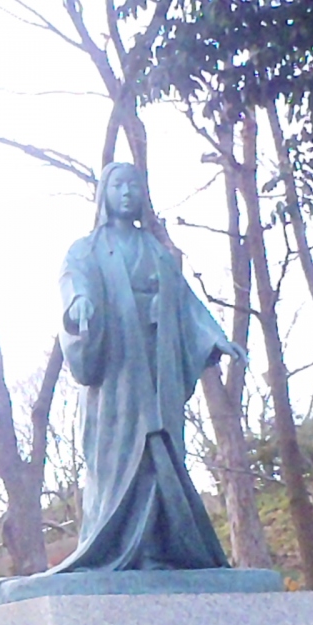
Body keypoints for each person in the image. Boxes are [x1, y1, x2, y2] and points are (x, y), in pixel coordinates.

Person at [46, 161, 246, 573]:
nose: (127, 193)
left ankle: (160, 550)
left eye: (134, 186)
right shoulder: (86, 249)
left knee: (162, 453)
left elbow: (186, 303)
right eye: (118, 185)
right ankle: (115, 548)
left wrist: (214, 338)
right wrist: (79, 304)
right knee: (120, 458)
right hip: (118, 370)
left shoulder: (157, 252)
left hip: (159, 365)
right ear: (104, 194)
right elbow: (74, 281)